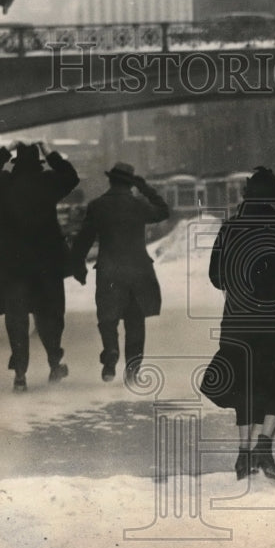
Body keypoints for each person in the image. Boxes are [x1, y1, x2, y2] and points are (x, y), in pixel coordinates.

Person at [200, 167, 275, 482]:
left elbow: (215, 276)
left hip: (238, 320)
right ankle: (265, 445)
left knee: (245, 386)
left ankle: (243, 454)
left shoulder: (230, 228)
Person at [0, 142, 80, 391]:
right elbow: (71, 176)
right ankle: (55, 363)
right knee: (49, 315)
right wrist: (51, 153)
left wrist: (5, 149)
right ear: (39, 164)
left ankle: (20, 375)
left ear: (16, 164)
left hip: (14, 265)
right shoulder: (48, 183)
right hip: (46, 263)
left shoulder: (5, 184)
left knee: (17, 318)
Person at [70, 161, 169, 384]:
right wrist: (144, 188)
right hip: (138, 271)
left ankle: (111, 351)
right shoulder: (138, 205)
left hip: (109, 270)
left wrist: (78, 266)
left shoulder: (97, 205)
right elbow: (164, 211)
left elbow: (84, 238)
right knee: (135, 321)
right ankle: (133, 371)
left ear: (111, 180)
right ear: (130, 183)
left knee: (108, 317)